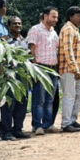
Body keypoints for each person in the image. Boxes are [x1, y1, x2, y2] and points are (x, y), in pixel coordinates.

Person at [27, 7, 60, 135]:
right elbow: (32, 49)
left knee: (50, 99)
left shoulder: (53, 32)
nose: (56, 19)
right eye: (53, 16)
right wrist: (34, 69)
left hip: (52, 69)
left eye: (56, 17)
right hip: (40, 68)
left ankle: (48, 124)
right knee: (38, 98)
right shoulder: (36, 30)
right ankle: (37, 125)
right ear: (45, 16)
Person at [0, 16, 30, 141]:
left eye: (19, 23)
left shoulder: (24, 40)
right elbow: (0, 57)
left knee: (22, 104)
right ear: (8, 26)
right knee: (9, 105)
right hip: (9, 76)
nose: (18, 26)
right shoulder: (5, 40)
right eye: (15, 24)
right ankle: (6, 131)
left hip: (23, 76)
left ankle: (18, 129)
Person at [59, 6, 80, 133]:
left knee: (79, 95)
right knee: (69, 96)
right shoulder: (69, 29)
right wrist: (75, 69)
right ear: (71, 17)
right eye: (78, 15)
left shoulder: (75, 30)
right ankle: (66, 123)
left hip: (77, 70)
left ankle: (72, 120)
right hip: (69, 70)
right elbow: (68, 50)